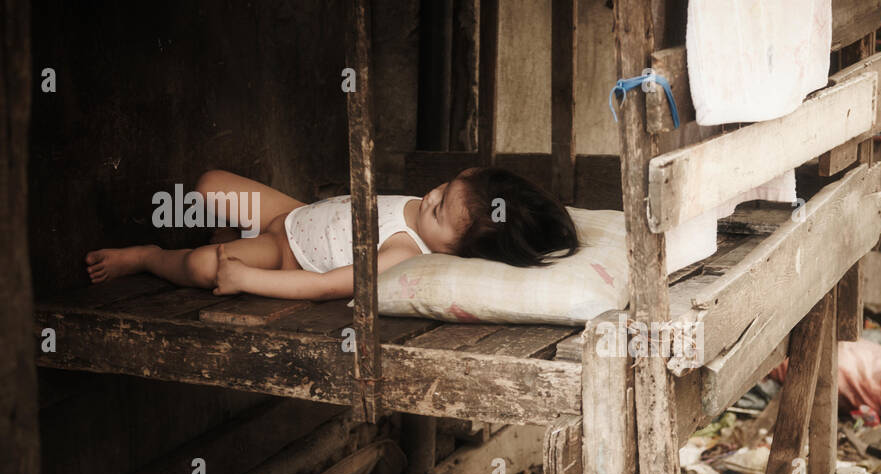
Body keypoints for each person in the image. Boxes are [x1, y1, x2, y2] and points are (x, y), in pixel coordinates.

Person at [85, 166, 580, 300]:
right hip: (296, 214)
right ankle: (221, 237)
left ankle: (147, 256)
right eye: (440, 189)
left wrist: (250, 280)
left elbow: (324, 286)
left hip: (287, 255)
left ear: (459, 251)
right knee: (208, 185)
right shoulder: (433, 213)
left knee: (200, 267)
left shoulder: (401, 253)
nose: (427, 198)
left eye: (437, 211)